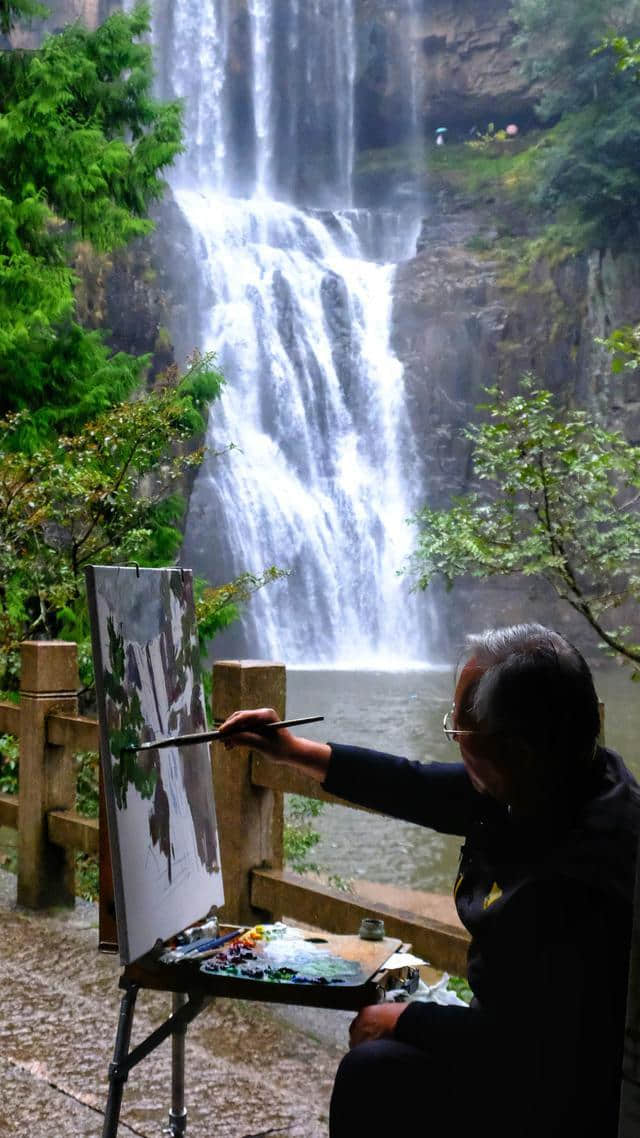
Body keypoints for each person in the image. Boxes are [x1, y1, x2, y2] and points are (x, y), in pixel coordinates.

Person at [219, 623, 640, 1138]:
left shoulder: (585, 876)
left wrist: (401, 1019)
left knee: (370, 1075)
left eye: (461, 733)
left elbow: (527, 1047)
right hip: (536, 1054)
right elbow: (416, 785)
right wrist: (291, 749)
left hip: (566, 1098)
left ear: (517, 750)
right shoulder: (570, 777)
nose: (455, 744)